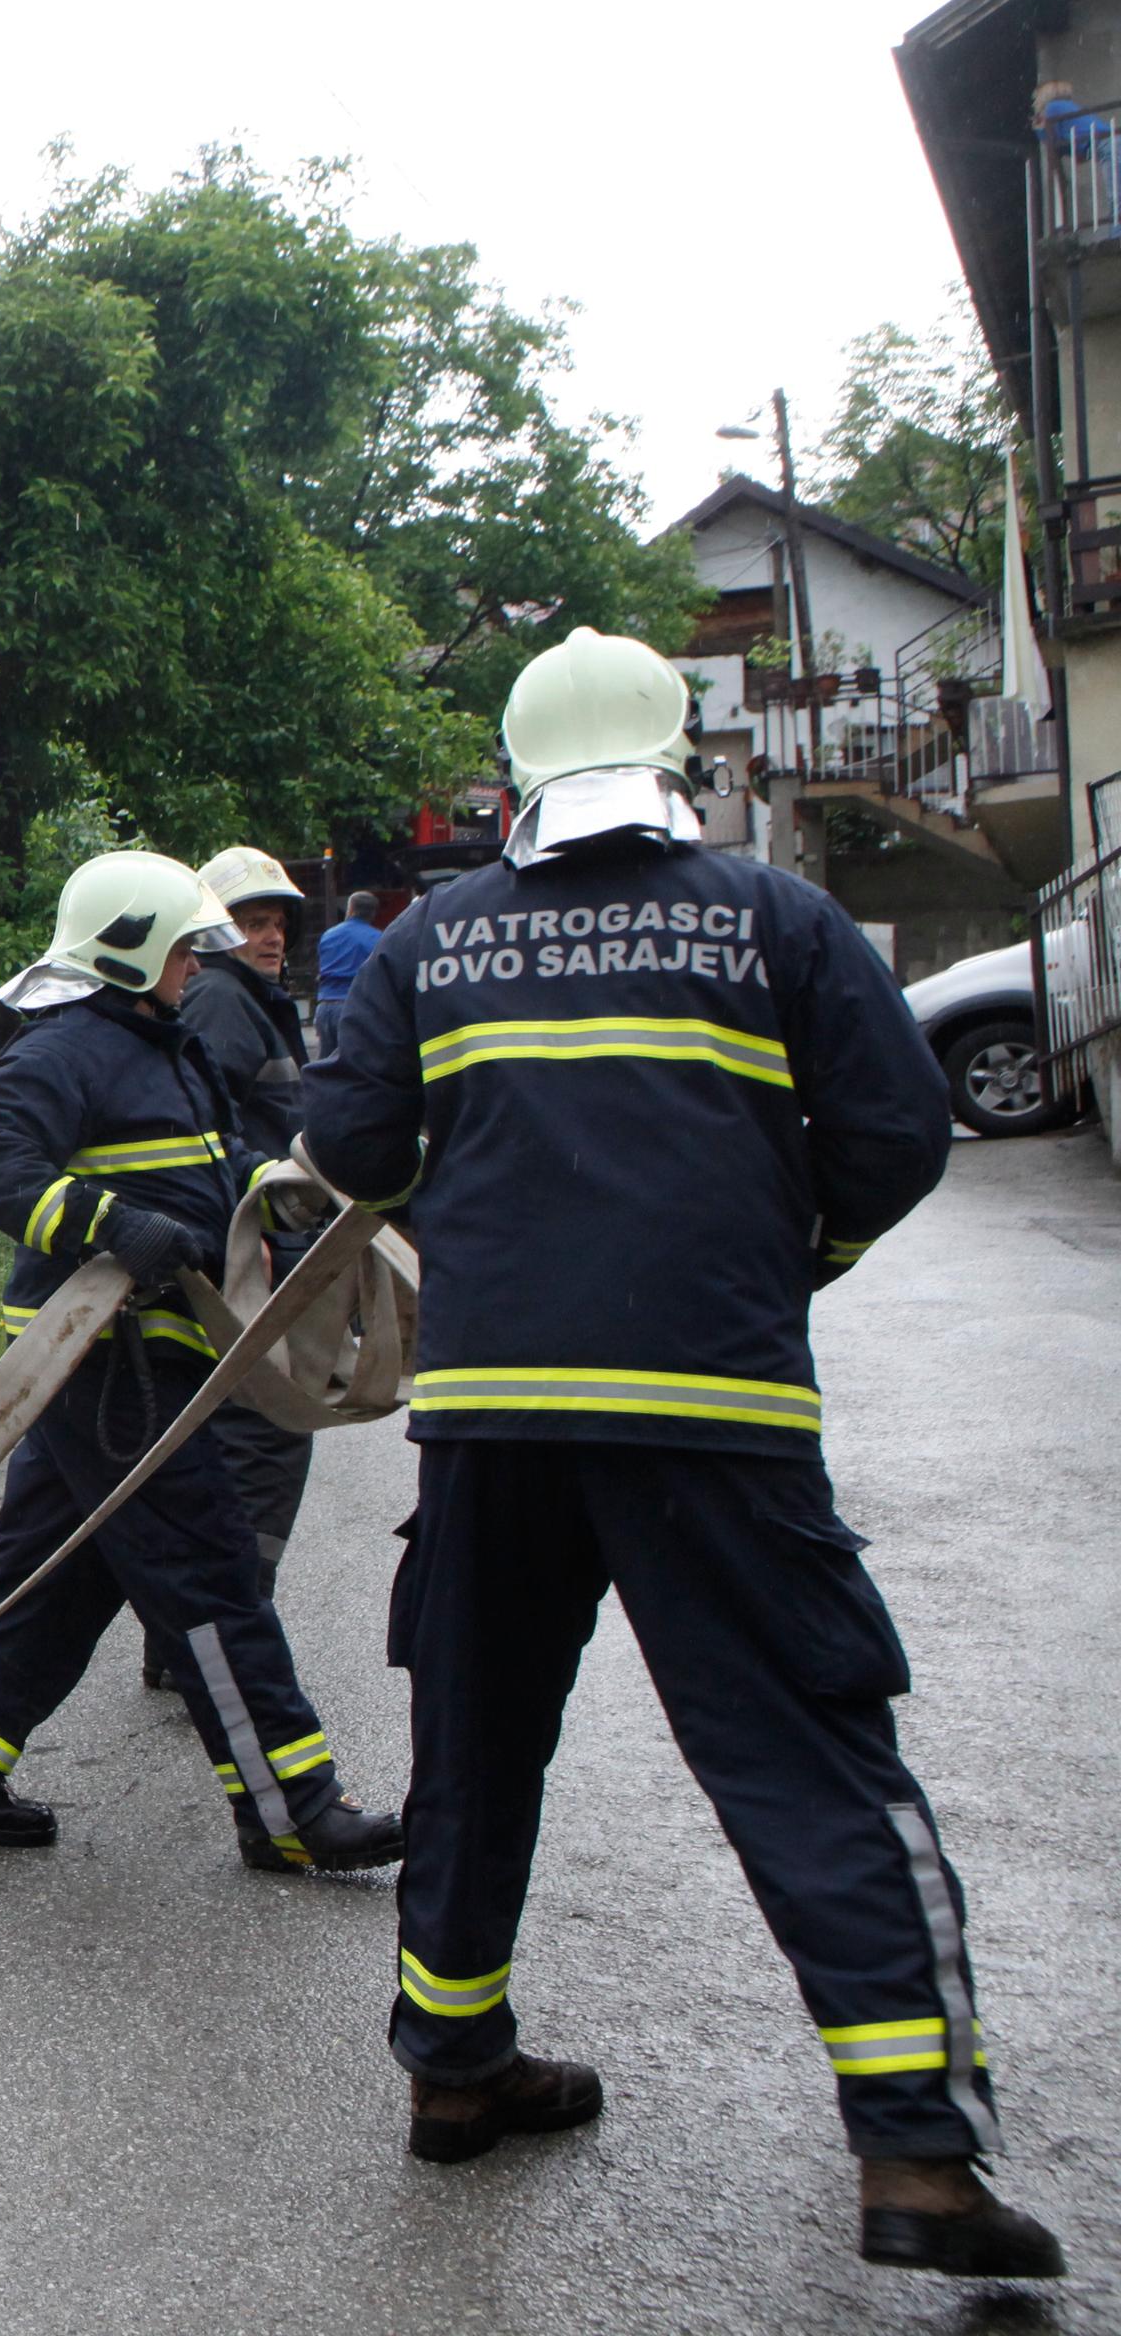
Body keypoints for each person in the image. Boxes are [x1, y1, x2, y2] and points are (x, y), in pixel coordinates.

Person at [304, 625, 1062, 2279]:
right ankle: (920, 2158)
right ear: (674, 766)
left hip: (496, 1418)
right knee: (808, 1759)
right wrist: (785, 1261)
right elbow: (896, 1134)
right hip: (714, 1412)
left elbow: (349, 1146)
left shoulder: (434, 938)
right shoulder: (772, 917)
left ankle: (450, 2070)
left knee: (476, 1738)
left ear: (515, 778)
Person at [0, 850, 403, 1875]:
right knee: (209, 1572)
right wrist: (116, 1225)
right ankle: (291, 1806)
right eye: (181, 948)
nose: (195, 966)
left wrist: (281, 1189)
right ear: (129, 948)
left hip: (149, 1355)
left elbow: (211, 1164)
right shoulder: (64, 1049)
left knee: (61, 1569)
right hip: (103, 1361)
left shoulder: (164, 1046)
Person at [138, 843, 317, 1692]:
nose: (271, 934)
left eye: (278, 920)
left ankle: (198, 1637)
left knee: (257, 1443)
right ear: (213, 935)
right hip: (249, 1262)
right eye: (253, 921)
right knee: (262, 1441)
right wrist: (256, 1227)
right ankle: (218, 1637)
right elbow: (210, 1139)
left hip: (266, 1256)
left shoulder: (250, 1001)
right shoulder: (220, 1001)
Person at [311, 889, 384, 1058]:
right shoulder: (378, 938)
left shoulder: (328, 935)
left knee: (326, 1063)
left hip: (325, 1006)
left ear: (350, 909)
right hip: (354, 1006)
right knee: (357, 1062)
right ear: (373, 914)